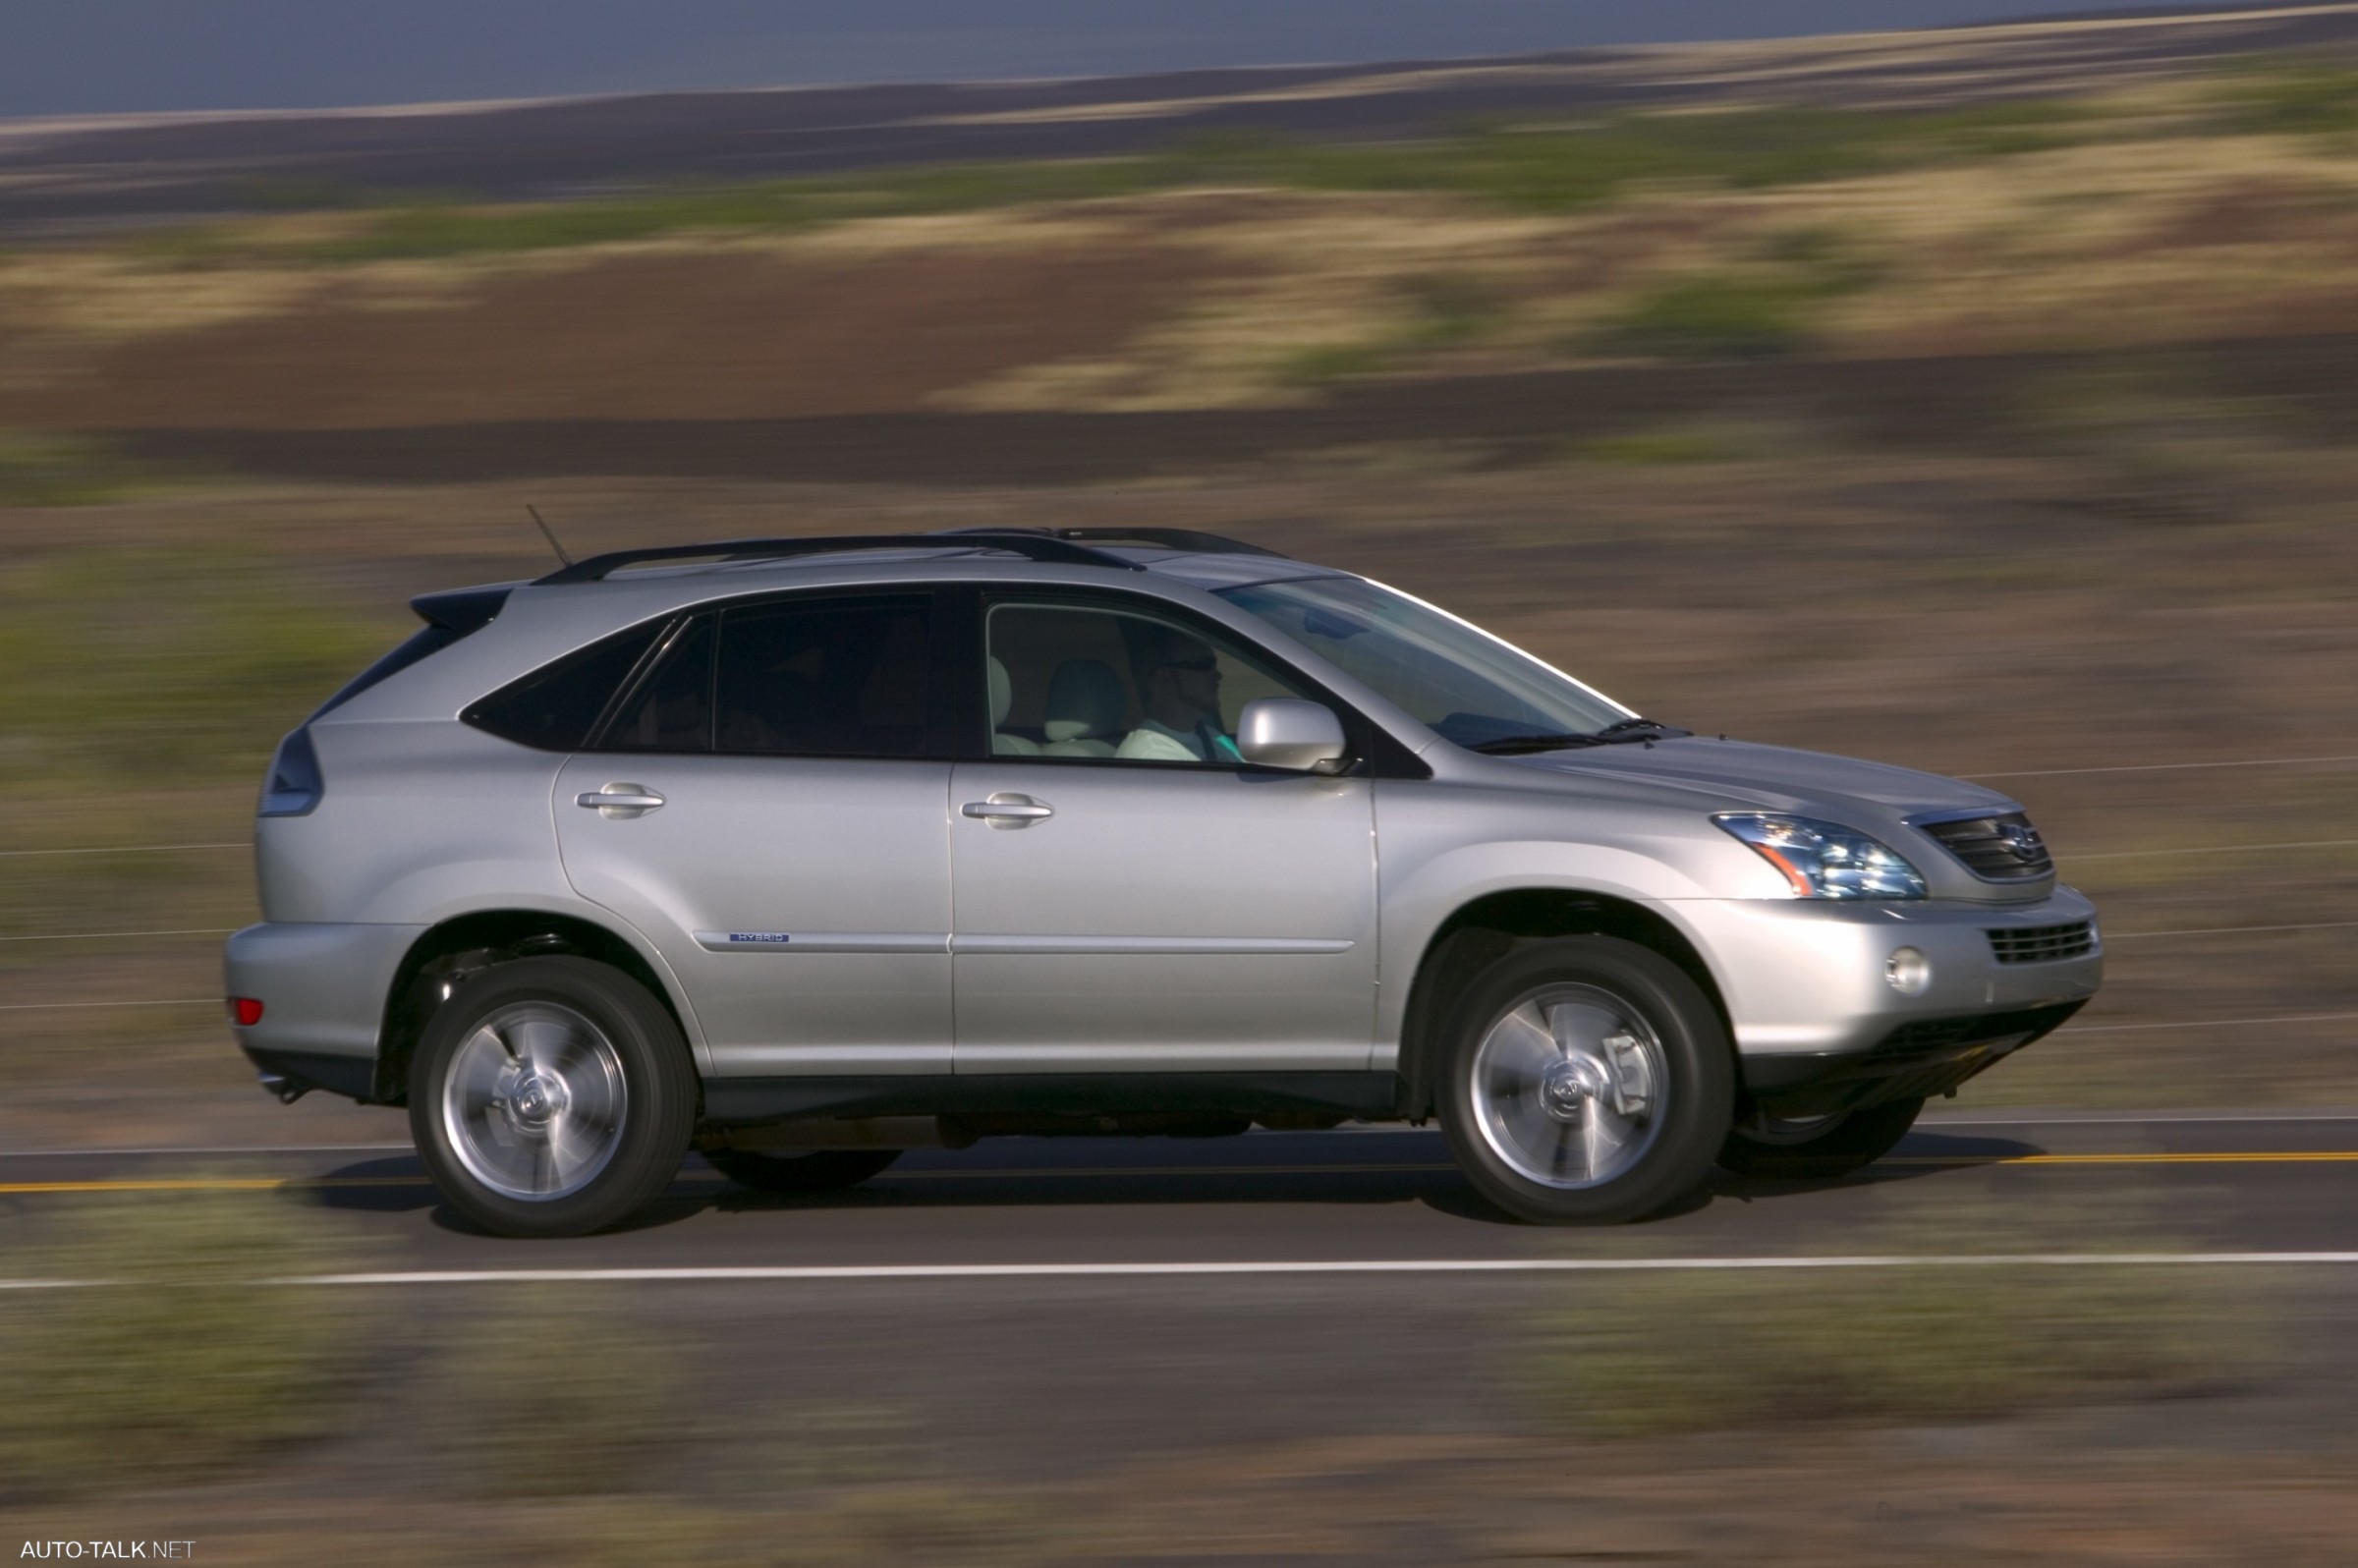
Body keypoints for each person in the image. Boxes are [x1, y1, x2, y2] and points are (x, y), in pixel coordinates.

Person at [1116, 624, 1243, 763]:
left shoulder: (1212, 736)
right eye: (1202, 664)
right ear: (1165, 678)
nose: (1218, 675)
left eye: (1213, 664)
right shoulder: (1153, 756)